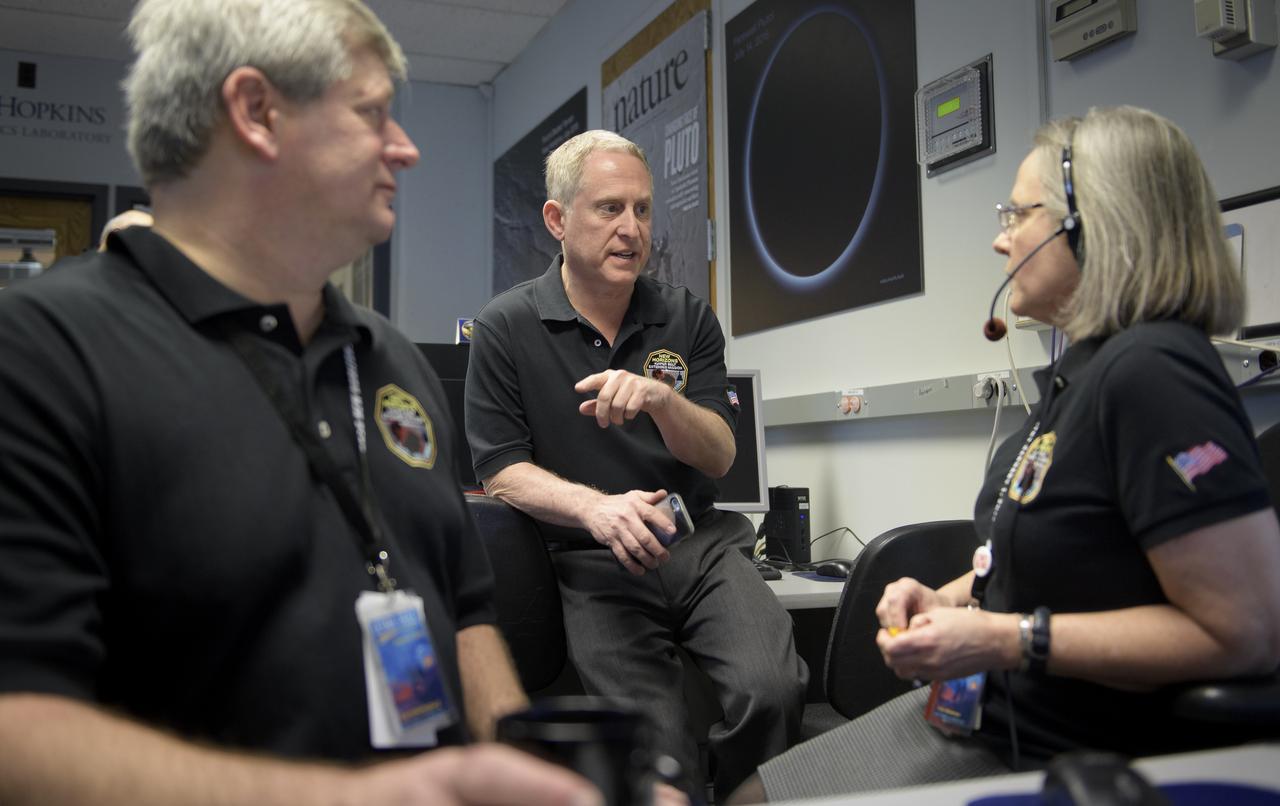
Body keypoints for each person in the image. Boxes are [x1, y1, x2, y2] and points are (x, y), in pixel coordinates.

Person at [0, 1, 599, 804]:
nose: (407, 148)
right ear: (256, 112)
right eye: (371, 113)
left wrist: (541, 786)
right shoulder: (45, 352)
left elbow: (466, 612)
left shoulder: (389, 362)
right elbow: (19, 728)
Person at [732, 105, 1280, 803]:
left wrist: (1005, 640)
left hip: (1072, 756)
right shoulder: (1088, 371)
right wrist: (946, 598)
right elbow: (1047, 560)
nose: (1001, 242)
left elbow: (1245, 633)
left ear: (1091, 226)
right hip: (990, 720)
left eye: (1017, 215)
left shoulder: (1155, 372)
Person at [465, 129, 808, 801]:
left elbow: (719, 453)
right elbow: (502, 470)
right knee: (655, 746)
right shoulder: (506, 326)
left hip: (700, 547)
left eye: (644, 210)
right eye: (609, 209)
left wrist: (662, 401)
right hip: (593, 560)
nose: (632, 229)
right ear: (558, 220)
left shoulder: (686, 316)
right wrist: (598, 509)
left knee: (773, 691)